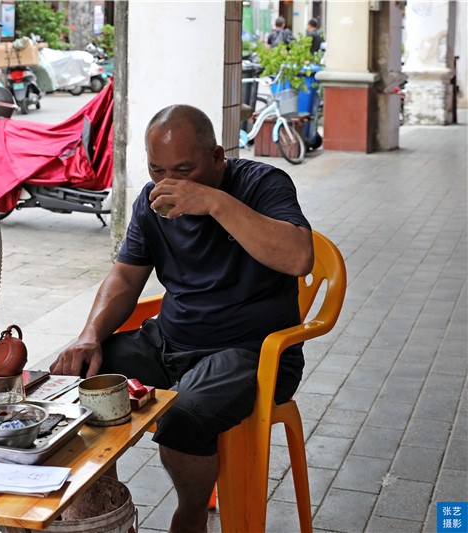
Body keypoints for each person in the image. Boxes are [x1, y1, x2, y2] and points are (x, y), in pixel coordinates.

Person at [50, 105, 314, 533]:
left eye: (185, 169)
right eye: (158, 169)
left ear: (217, 156)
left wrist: (213, 202)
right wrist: (89, 336)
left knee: (183, 417)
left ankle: (191, 514)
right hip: (169, 341)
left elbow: (299, 257)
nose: (170, 182)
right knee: (82, 384)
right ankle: (104, 511)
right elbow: (125, 276)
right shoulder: (150, 202)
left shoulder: (261, 184)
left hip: (251, 353)